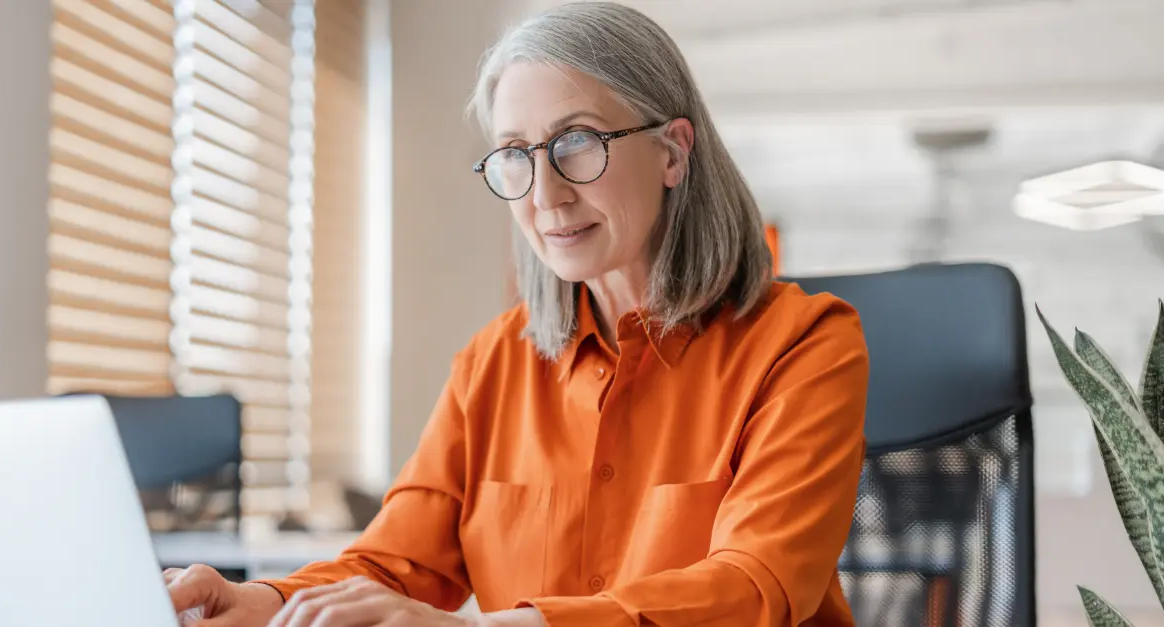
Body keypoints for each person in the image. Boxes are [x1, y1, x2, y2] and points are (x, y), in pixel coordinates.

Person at [166, 2, 869, 626]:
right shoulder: (492, 363)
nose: (545, 194)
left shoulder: (806, 343)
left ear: (673, 152)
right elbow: (393, 562)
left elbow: (754, 588)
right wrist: (269, 601)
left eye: (578, 142)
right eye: (515, 155)